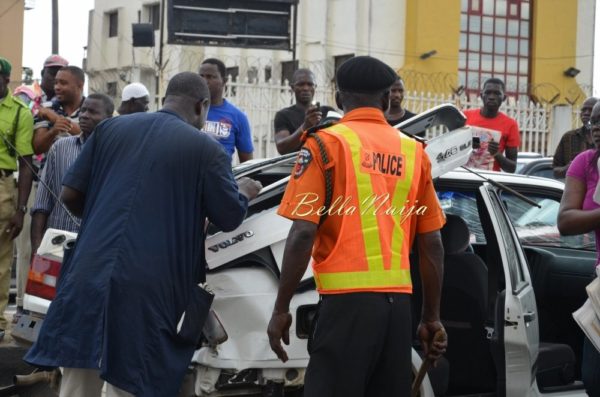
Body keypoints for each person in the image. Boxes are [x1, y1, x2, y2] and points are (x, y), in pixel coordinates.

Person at [267, 56, 447, 396]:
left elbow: (303, 231)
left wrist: (280, 309)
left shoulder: (324, 143)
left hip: (345, 306)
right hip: (397, 309)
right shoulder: (414, 152)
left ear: (338, 99)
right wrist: (431, 317)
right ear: (385, 99)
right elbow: (432, 242)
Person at [30, 94, 114, 254]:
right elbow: (42, 203)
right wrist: (37, 247)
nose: (84, 116)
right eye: (83, 110)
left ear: (108, 118)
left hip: (96, 247)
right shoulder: (60, 147)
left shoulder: (116, 153)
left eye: (93, 112)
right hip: (57, 245)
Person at [557, 101, 600, 397]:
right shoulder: (586, 163)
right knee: (593, 378)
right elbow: (566, 221)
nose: (597, 129)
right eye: (594, 123)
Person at [0, 57, 34, 341]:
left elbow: (25, 163)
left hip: (3, 186)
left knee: (1, 259)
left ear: (5, 80)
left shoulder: (20, 112)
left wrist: (21, 209)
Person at [199, 58, 253, 163]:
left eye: (210, 77)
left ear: (224, 81)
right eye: (201, 76)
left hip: (219, 177)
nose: (204, 81)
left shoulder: (238, 117)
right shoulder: (189, 110)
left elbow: (247, 161)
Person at [463, 78, 520, 173]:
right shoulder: (465, 117)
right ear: (481, 95)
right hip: (463, 178)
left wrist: (497, 154)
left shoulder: (511, 125)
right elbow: (450, 152)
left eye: (497, 93)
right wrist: (466, 145)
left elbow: (512, 168)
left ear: (504, 98)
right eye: (488, 92)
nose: (492, 97)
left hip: (490, 182)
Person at [273, 68, 334, 154]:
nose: (305, 88)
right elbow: (282, 148)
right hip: (296, 165)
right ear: (292, 87)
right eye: (301, 84)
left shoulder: (328, 112)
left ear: (315, 87)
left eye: (310, 84)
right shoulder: (283, 115)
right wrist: (305, 127)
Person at [33, 66, 85, 155]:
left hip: (84, 168)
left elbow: (93, 137)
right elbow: (37, 148)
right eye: (56, 83)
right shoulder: (46, 108)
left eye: (63, 83)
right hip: (52, 168)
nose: (57, 87)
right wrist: (53, 131)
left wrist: (55, 118)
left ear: (80, 86)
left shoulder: (93, 108)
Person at [553, 97, 598, 179]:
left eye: (590, 110)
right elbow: (555, 170)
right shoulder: (568, 137)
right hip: (573, 188)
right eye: (583, 110)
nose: (586, 113)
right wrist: (567, 168)